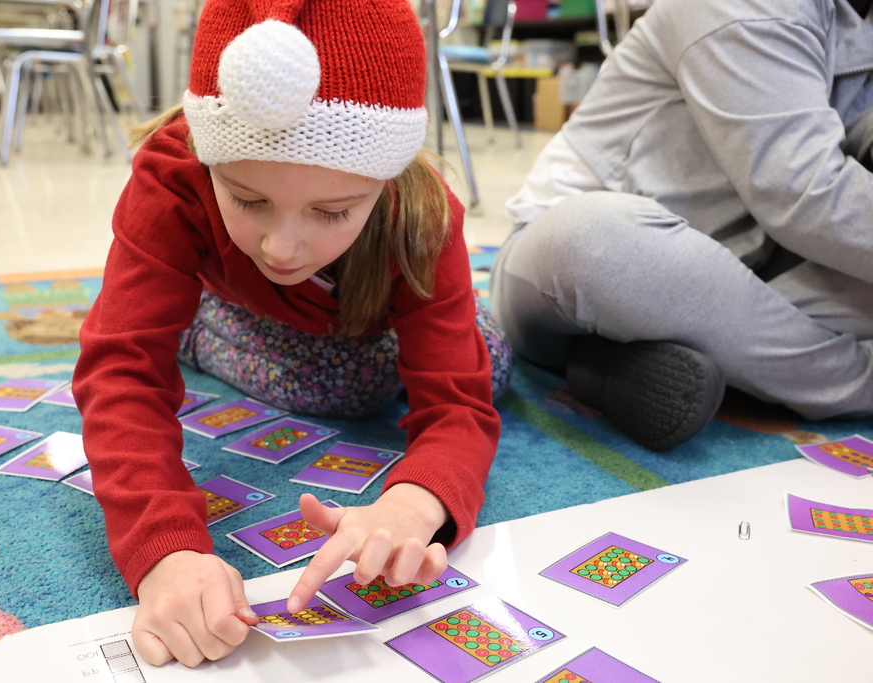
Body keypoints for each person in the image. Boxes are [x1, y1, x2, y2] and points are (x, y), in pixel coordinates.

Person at [72, 0, 512, 669]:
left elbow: (458, 407)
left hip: (357, 331)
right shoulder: (172, 175)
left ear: (385, 182)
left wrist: (411, 504)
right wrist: (166, 548)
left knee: (488, 359)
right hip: (246, 311)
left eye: (332, 211)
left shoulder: (423, 218)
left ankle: (211, 321)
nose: (281, 245)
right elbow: (119, 368)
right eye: (248, 200)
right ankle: (209, 318)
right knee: (170, 324)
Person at [491, 0, 873, 451]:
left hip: (750, 278)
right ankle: (853, 381)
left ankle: (626, 365)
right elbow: (806, 194)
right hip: (580, 274)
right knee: (597, 242)